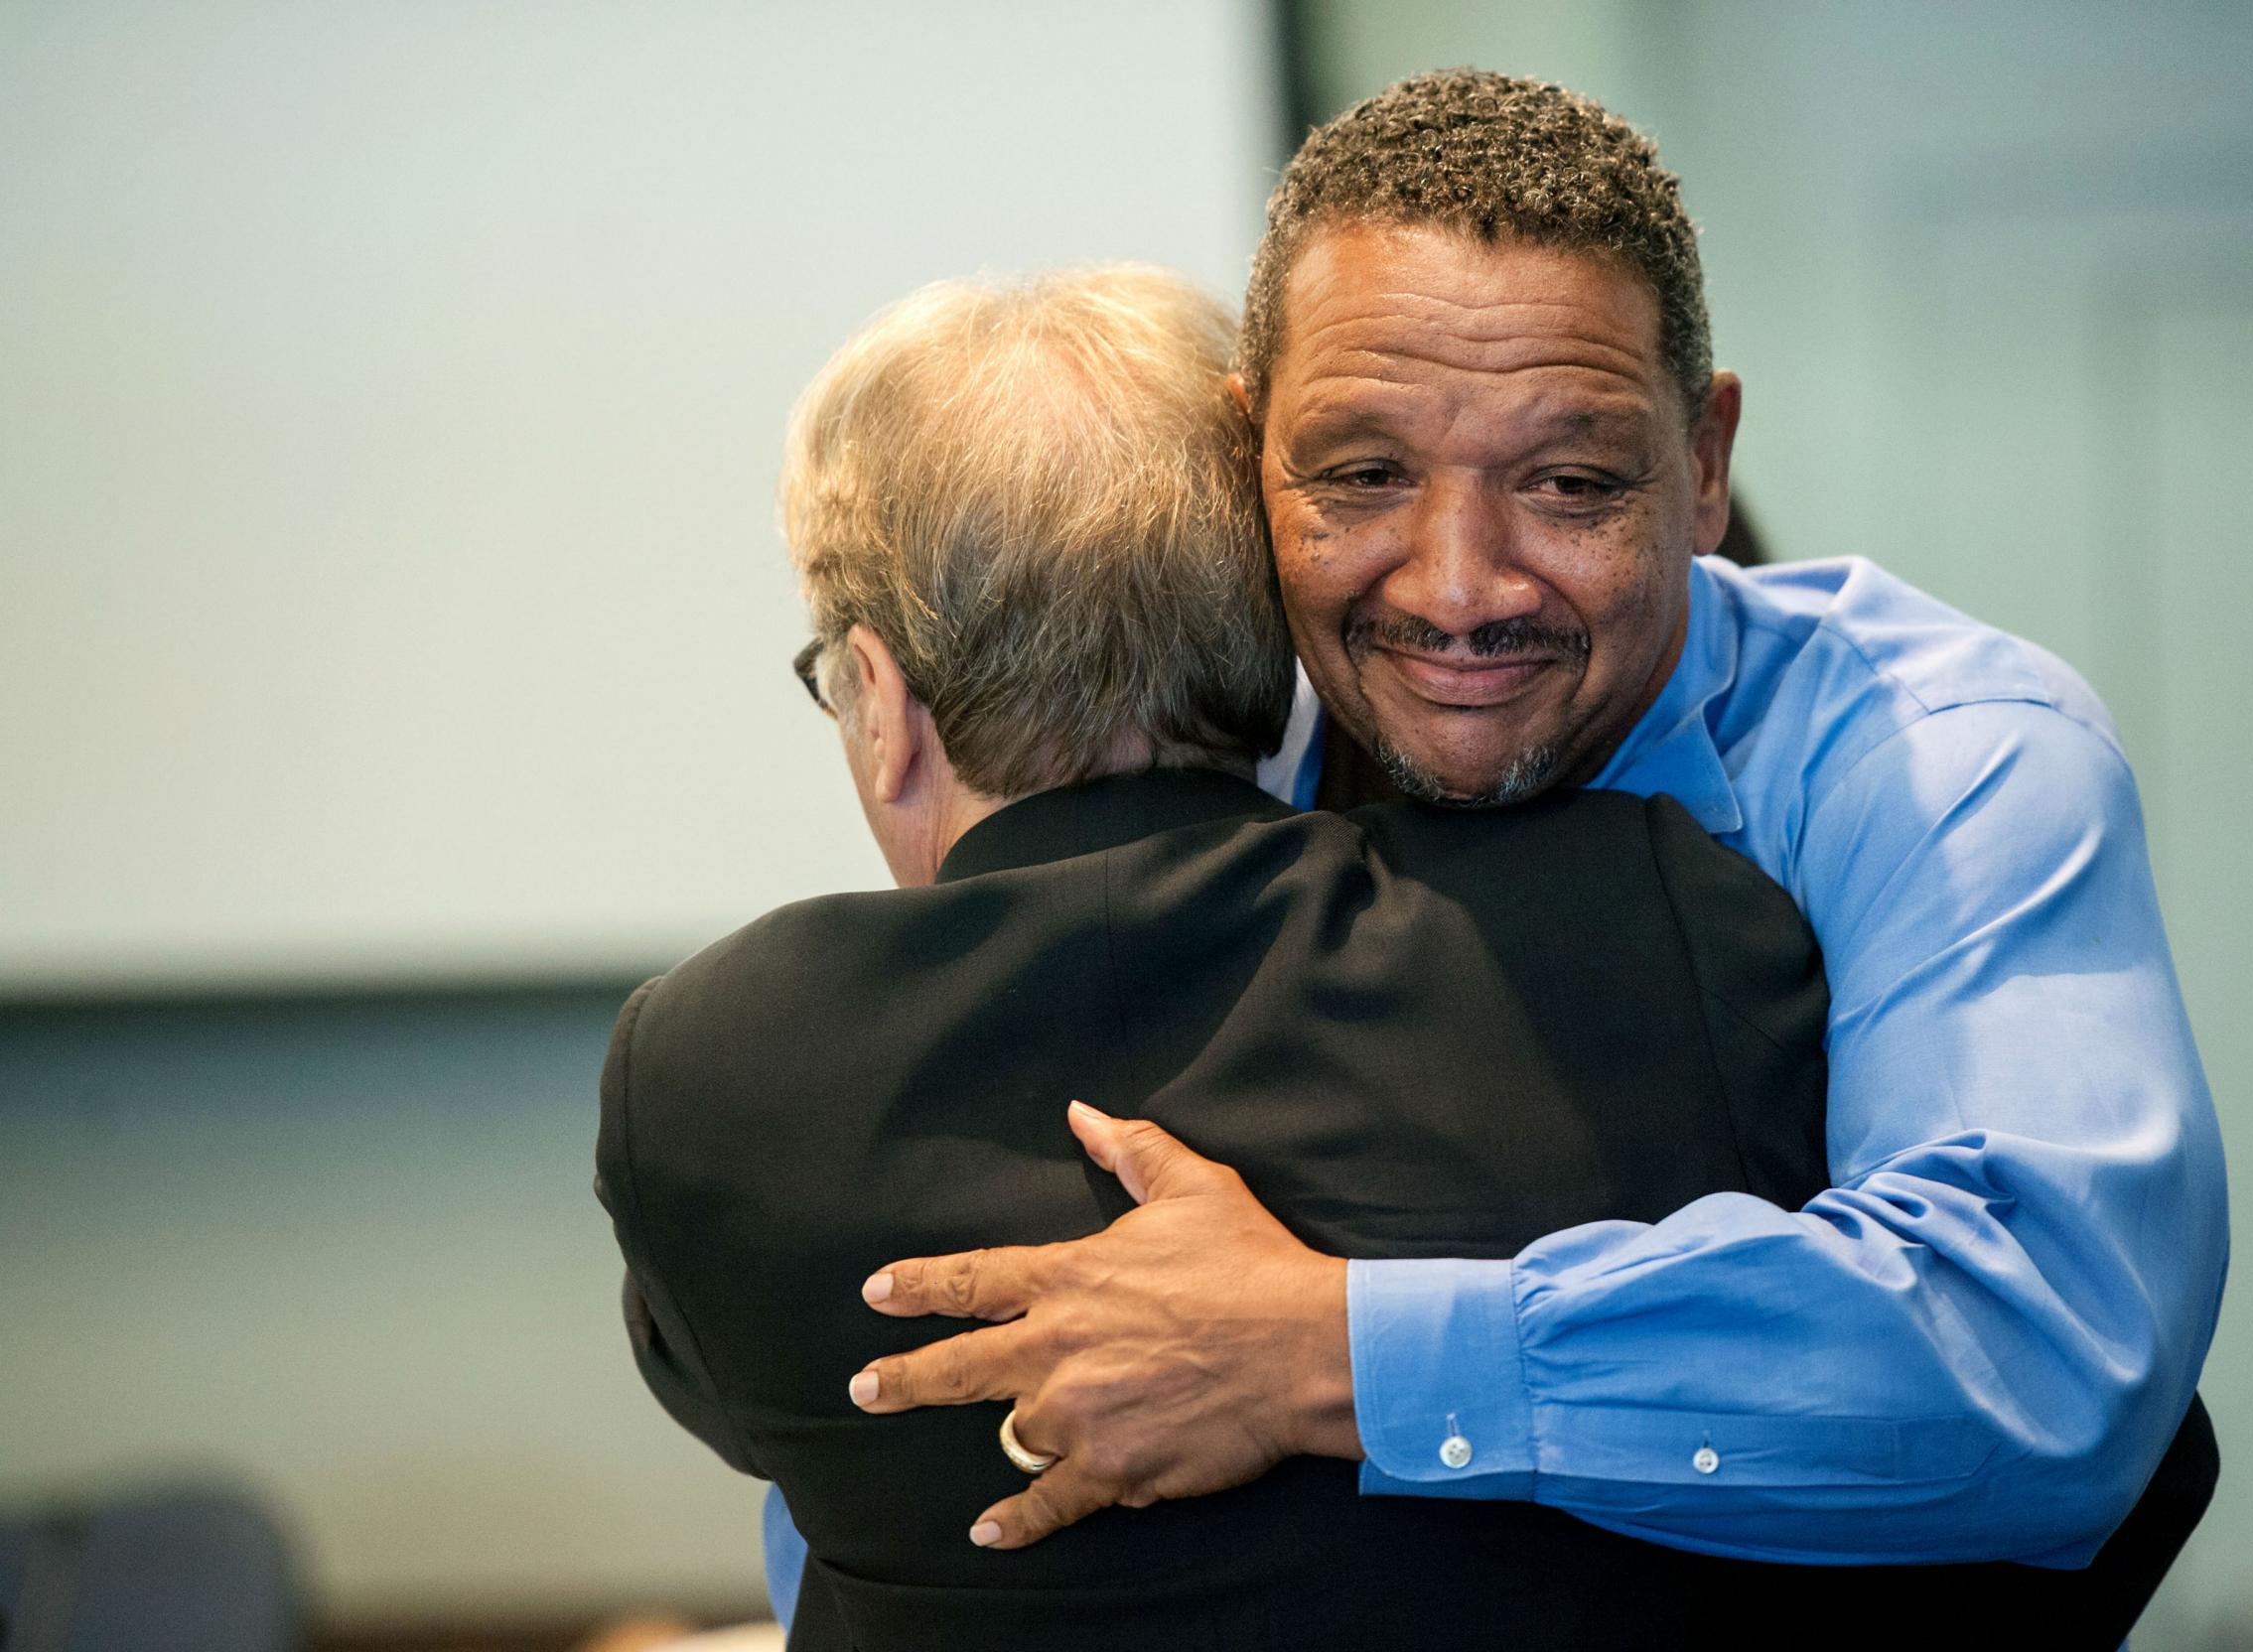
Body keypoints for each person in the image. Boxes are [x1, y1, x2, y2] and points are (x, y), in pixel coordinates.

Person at [838, 67, 2229, 1606]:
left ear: (1702, 465)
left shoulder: (1944, 757)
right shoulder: (1196, 758)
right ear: (1248, 457)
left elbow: (2038, 1361)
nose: (1456, 589)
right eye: (1363, 475)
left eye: (1569, 485)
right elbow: (995, 1340)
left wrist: (1318, 1349)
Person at [601, 264, 1873, 1649]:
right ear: (1276, 620)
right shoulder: (1644, 921)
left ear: (886, 704)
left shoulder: (712, 1069)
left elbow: (741, 1410)